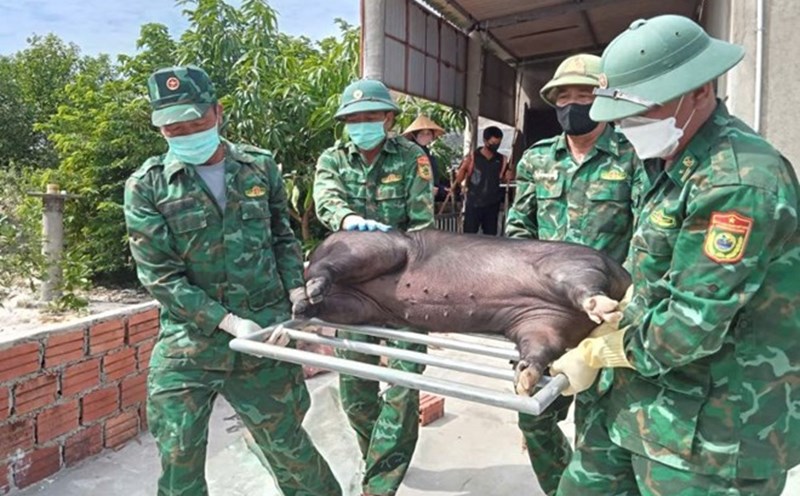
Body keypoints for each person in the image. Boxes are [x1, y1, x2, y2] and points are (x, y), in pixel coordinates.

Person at [549, 15, 800, 495]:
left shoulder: (737, 180)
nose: (624, 127)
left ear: (700, 91)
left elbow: (690, 325)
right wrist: (622, 309)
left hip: (713, 434)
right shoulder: (671, 158)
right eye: (617, 114)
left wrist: (601, 350)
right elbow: (663, 272)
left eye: (637, 110)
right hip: (640, 404)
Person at [123, 65, 341, 496]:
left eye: (195, 121)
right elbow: (161, 277)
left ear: (218, 112)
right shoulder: (146, 186)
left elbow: (281, 236)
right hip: (190, 345)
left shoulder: (258, 167)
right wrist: (226, 322)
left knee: (290, 451)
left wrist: (296, 293)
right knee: (178, 459)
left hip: (265, 336)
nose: (185, 132)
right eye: (172, 128)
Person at [504, 53, 639, 496]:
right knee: (534, 417)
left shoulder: (633, 156)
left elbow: (647, 236)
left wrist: (626, 304)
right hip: (550, 314)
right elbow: (519, 230)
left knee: (598, 430)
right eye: (565, 96)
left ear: (604, 100)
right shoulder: (538, 159)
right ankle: (563, 486)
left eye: (585, 95)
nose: (573, 104)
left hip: (609, 318)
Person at [313, 78, 434, 496]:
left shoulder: (412, 158)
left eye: (369, 117)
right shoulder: (333, 159)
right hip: (353, 290)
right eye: (353, 119)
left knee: (402, 388)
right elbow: (325, 198)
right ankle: (376, 457)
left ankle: (379, 486)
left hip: (404, 286)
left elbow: (421, 226)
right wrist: (348, 221)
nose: (360, 125)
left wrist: (392, 249)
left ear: (387, 118)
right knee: (355, 391)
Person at [454, 126, 510, 235]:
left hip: (492, 204)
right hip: (474, 203)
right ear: (485, 141)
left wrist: (509, 175)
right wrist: (463, 169)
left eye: (498, 143)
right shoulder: (472, 157)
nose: (496, 146)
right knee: (469, 236)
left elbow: (504, 178)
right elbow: (459, 179)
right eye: (493, 143)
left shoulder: (502, 159)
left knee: (490, 238)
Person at [402, 114, 450, 202]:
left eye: (428, 133)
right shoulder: (409, 153)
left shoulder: (428, 155)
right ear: (414, 135)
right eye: (422, 133)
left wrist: (441, 189)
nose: (425, 136)